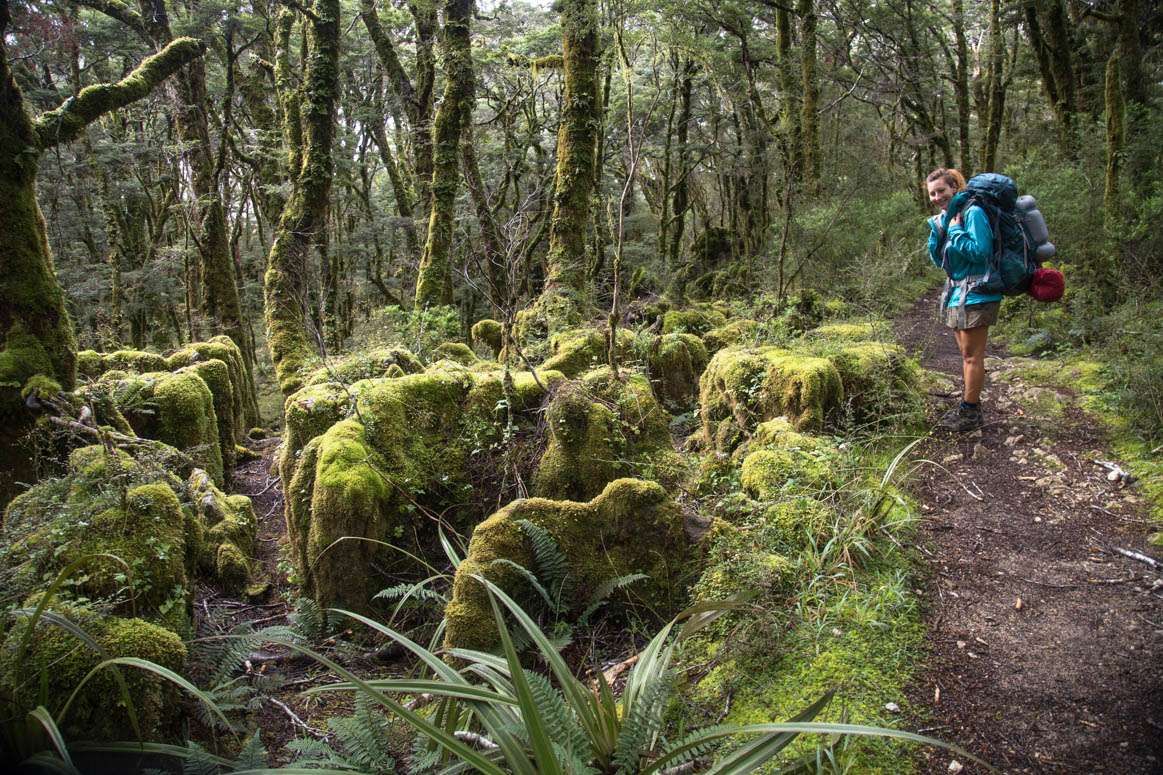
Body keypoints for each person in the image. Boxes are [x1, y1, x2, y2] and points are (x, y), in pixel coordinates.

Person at [926, 168, 1000, 432]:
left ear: (955, 187)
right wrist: (938, 234)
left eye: (941, 191)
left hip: (979, 292)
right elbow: (942, 262)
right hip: (958, 293)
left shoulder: (973, 213)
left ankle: (969, 413)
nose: (936, 197)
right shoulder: (946, 218)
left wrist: (956, 232)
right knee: (966, 355)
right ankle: (971, 408)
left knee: (972, 356)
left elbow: (980, 252)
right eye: (932, 193)